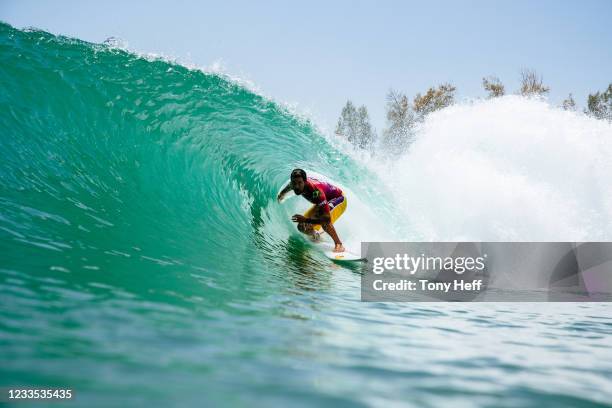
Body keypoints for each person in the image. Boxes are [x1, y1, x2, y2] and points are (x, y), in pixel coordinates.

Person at [277, 169, 346, 252]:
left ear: (305, 182)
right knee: (302, 226)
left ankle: (339, 244)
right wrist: (281, 195)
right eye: (294, 183)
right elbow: (288, 188)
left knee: (324, 222)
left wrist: (306, 219)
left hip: (338, 198)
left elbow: (326, 219)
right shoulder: (293, 184)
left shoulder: (316, 192)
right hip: (322, 202)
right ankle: (316, 236)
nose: (297, 186)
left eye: (299, 183)